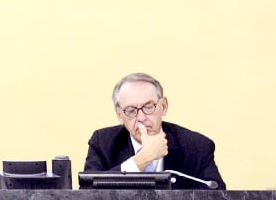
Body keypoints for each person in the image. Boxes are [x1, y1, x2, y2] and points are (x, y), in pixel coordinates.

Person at [84, 72, 226, 190]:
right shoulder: (102, 143)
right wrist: (142, 159)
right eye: (131, 111)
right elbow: (85, 199)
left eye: (148, 107)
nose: (141, 118)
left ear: (163, 106)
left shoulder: (196, 146)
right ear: (120, 115)